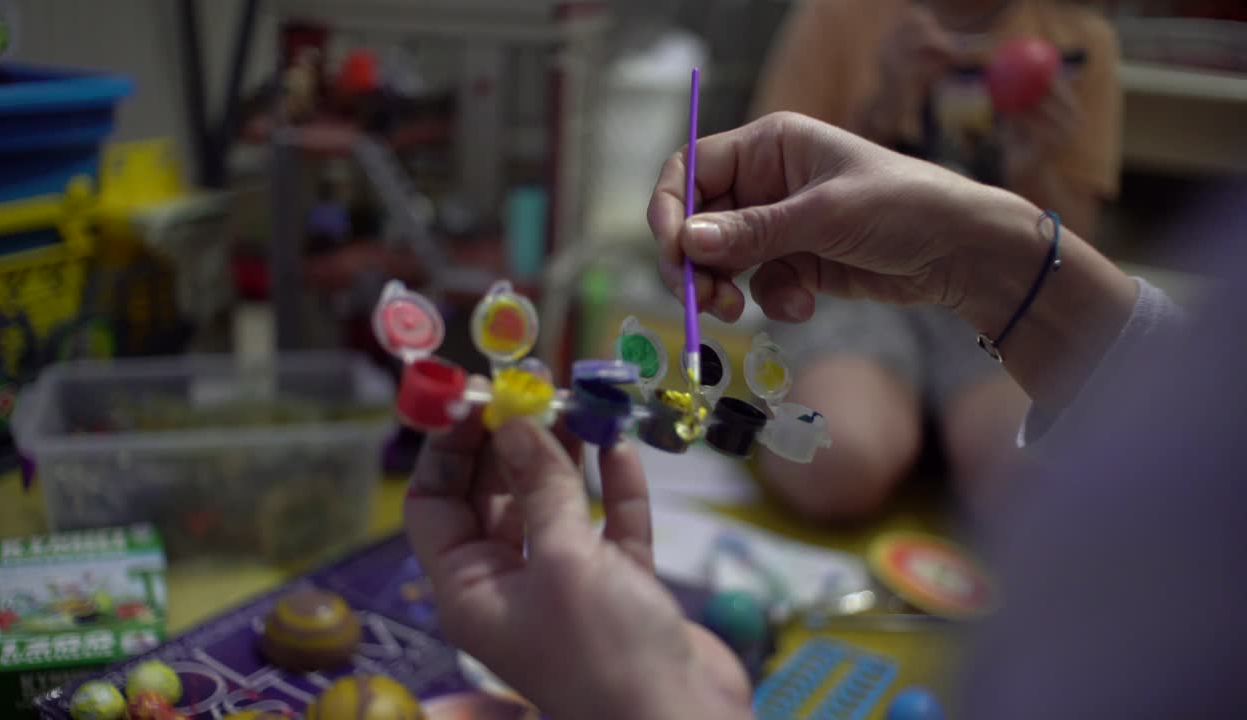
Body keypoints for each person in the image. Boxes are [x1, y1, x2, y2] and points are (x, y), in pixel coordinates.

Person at [406, 113, 1247, 718]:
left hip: (980, 312)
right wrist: (978, 250)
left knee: (1014, 482)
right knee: (849, 453)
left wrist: (651, 703)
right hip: (893, 289)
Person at [743, 0, 1123, 519]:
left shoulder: (1079, 39)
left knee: (1030, 491)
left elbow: (1074, 259)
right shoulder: (836, 15)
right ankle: (905, 427)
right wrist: (882, 109)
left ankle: (924, 431)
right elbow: (772, 197)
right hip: (849, 287)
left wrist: (1036, 168)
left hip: (997, 306)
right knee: (832, 461)